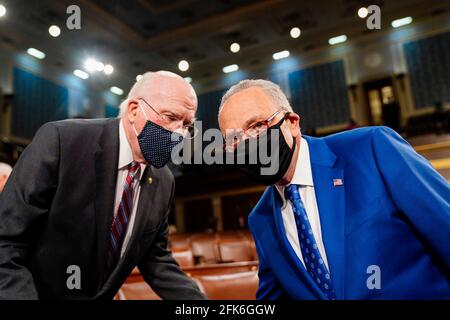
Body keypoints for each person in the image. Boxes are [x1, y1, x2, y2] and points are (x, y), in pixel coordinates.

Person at [218, 79, 450, 300]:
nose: (247, 143)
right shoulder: (261, 219)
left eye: (257, 126)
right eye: (234, 140)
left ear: (292, 123)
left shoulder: (371, 148)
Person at [0, 71, 205, 300]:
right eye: (169, 117)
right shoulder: (62, 141)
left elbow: (155, 258)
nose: (179, 133)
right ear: (134, 110)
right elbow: (6, 241)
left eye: (186, 124)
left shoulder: (164, 181)